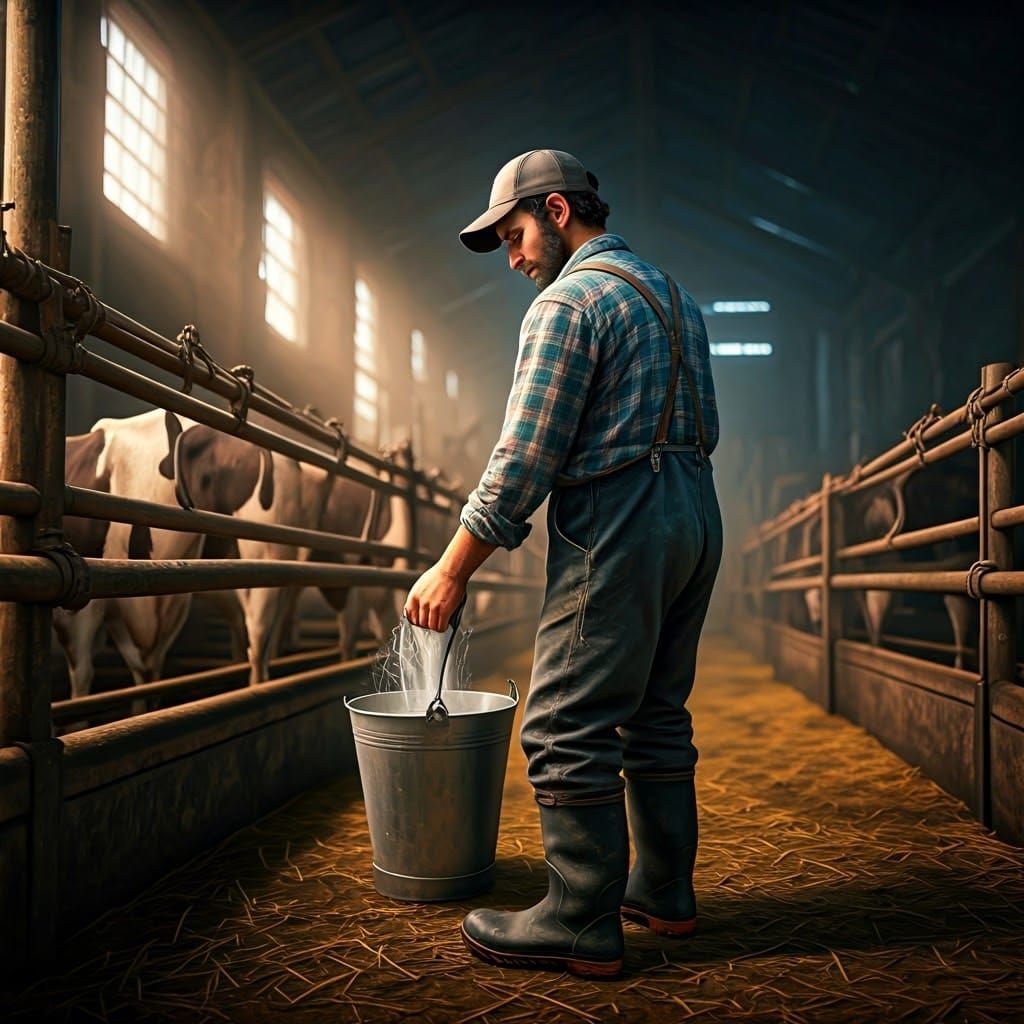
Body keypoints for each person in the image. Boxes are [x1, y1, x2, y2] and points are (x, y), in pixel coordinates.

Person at [404, 149, 722, 978]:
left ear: (555, 211)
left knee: (562, 724)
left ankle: (580, 916)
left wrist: (452, 566)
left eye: (514, 235)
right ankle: (663, 891)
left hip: (619, 518)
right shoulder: (679, 301)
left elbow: (525, 456)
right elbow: (706, 429)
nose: (512, 259)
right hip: (694, 509)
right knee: (654, 710)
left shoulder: (568, 304)